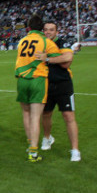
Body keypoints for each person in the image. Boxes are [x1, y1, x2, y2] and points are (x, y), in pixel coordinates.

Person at [14, 13, 68, 162]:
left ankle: (29, 143)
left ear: (29, 28)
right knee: (36, 116)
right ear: (42, 28)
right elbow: (62, 59)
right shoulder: (45, 41)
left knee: (26, 114)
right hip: (37, 79)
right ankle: (33, 152)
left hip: (22, 80)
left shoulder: (23, 40)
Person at [41, 21, 81, 161]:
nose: (48, 32)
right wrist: (57, 58)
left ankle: (75, 150)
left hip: (63, 84)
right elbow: (62, 59)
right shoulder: (40, 44)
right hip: (46, 84)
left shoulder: (63, 42)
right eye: (46, 30)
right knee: (45, 114)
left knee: (68, 116)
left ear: (56, 32)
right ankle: (47, 138)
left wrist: (46, 58)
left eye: (51, 30)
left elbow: (67, 60)